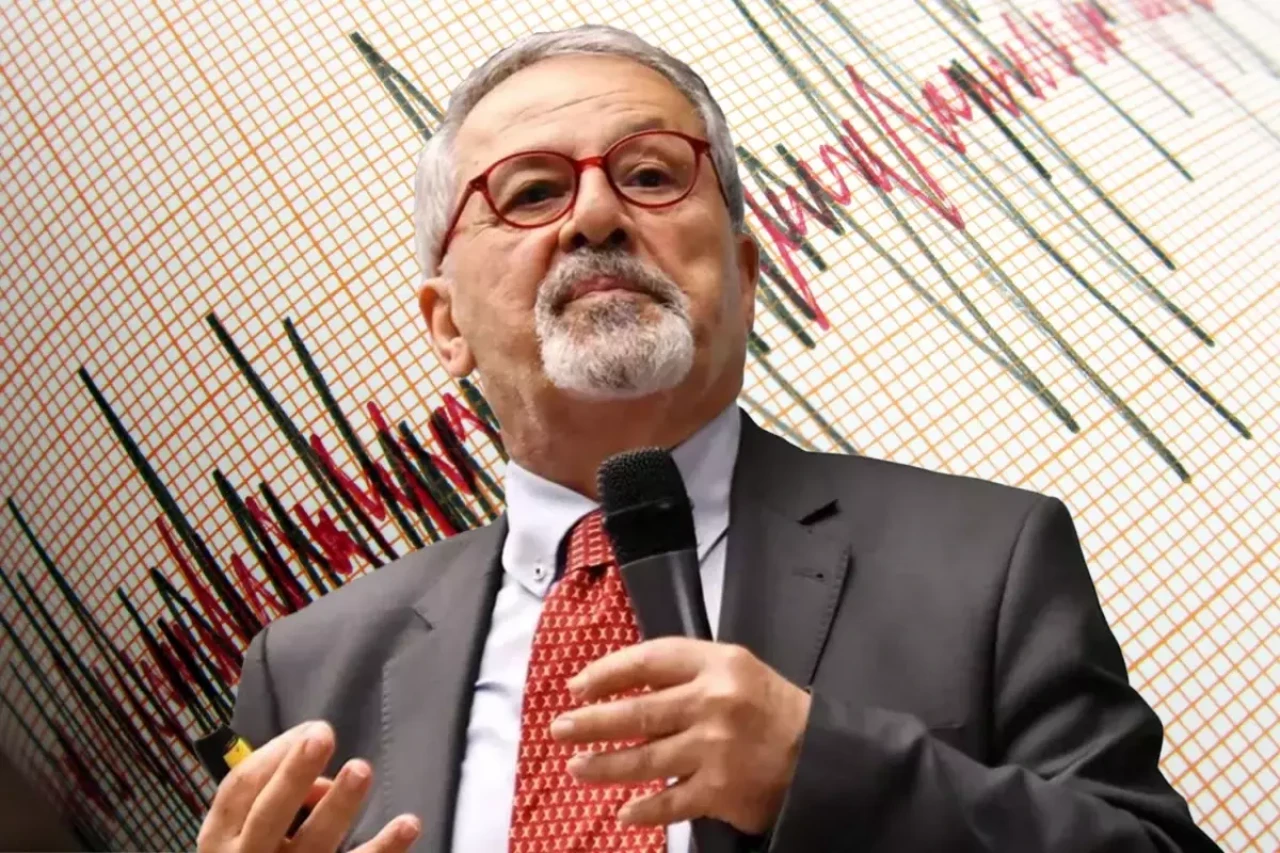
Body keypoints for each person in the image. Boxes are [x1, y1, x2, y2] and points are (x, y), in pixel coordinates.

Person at [196, 25, 1222, 853]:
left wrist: (817, 768)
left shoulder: (987, 560)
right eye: (532, 191)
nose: (595, 214)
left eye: (649, 174)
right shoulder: (306, 671)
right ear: (445, 323)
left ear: (745, 275)